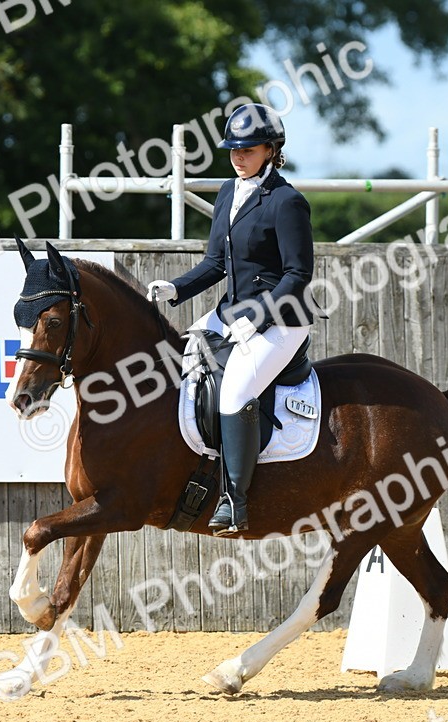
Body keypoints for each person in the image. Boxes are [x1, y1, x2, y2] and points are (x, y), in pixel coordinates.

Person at [147, 102, 314, 533]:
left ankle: (234, 500)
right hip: (230, 313)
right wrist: (176, 288)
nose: (238, 157)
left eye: (248, 150)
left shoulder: (287, 202)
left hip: (282, 320)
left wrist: (259, 316)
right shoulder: (227, 192)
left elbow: (298, 274)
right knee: (173, 366)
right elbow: (215, 263)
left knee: (236, 391)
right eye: (234, 150)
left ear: (271, 150)